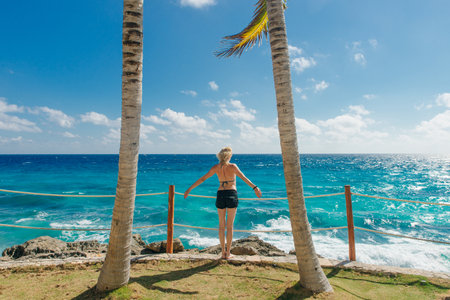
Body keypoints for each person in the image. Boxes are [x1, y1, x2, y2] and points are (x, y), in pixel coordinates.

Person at [184, 147, 262, 259]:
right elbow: (244, 178)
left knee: (221, 226)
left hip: (221, 194)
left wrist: (189, 189)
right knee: (229, 226)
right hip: (231, 194)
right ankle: (228, 253)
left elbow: (203, 179)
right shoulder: (233, 166)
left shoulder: (216, 167)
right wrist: (255, 188)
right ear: (229, 156)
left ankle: (222, 252)